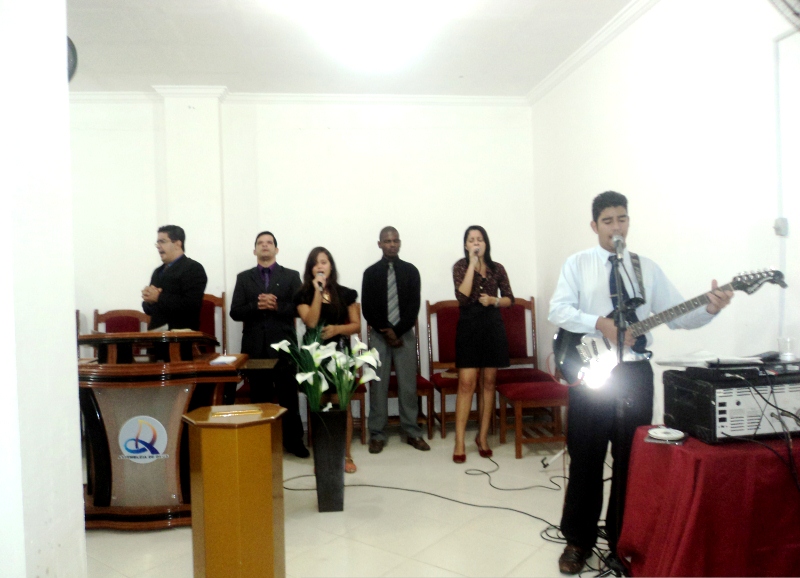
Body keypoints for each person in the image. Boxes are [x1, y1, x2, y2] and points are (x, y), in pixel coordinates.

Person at [548, 191, 733, 574]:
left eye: (622, 219)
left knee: (631, 461)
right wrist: (600, 324)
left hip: (634, 375)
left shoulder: (645, 269)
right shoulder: (578, 264)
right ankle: (578, 540)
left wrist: (710, 308)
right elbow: (558, 310)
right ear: (594, 225)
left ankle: (622, 541)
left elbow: (679, 316)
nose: (616, 227)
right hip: (591, 373)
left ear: (628, 221)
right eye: (608, 221)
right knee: (585, 457)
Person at [229, 231, 308, 458]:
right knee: (259, 397)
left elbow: (300, 309)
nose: (265, 246)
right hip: (255, 347)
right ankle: (260, 442)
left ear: (276, 249)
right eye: (260, 243)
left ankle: (294, 442)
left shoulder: (291, 276)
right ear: (254, 250)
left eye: (269, 243)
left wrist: (276, 306)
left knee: (288, 397)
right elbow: (235, 312)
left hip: (284, 346)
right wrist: (256, 305)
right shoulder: (244, 278)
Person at [294, 247, 362, 473]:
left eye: (324, 262)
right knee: (319, 405)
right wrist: (317, 291)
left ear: (331, 266)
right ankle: (322, 457)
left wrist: (337, 329)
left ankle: (346, 455)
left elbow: (356, 325)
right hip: (314, 355)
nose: (320, 266)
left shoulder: (347, 293)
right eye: (315, 263)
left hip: (340, 352)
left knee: (342, 404)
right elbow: (311, 322)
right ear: (310, 269)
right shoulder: (303, 295)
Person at [362, 227, 429, 454]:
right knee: (378, 386)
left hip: (404, 335)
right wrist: (386, 331)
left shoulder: (411, 271)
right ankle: (377, 434)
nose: (392, 244)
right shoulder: (370, 273)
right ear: (379, 244)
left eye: (395, 240)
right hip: (379, 335)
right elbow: (368, 308)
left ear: (399, 243)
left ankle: (412, 431)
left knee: (408, 386)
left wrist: (397, 331)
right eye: (387, 241)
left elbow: (413, 306)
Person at [451, 225, 514, 464]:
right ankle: (459, 441)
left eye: (480, 239)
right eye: (471, 240)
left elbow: (510, 299)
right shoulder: (460, 266)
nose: (476, 243)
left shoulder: (498, 268)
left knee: (489, 383)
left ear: (486, 243)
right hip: (469, 327)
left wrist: (495, 300)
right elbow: (462, 296)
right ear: (466, 245)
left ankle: (483, 437)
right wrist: (471, 263)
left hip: (492, 327)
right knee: (466, 383)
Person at [142, 225, 207, 331]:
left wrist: (158, 297)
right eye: (157, 242)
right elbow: (149, 310)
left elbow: (191, 305)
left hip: (181, 335)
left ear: (177, 244)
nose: (158, 246)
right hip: (156, 335)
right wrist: (148, 300)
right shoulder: (158, 272)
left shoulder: (193, 268)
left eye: (162, 241)